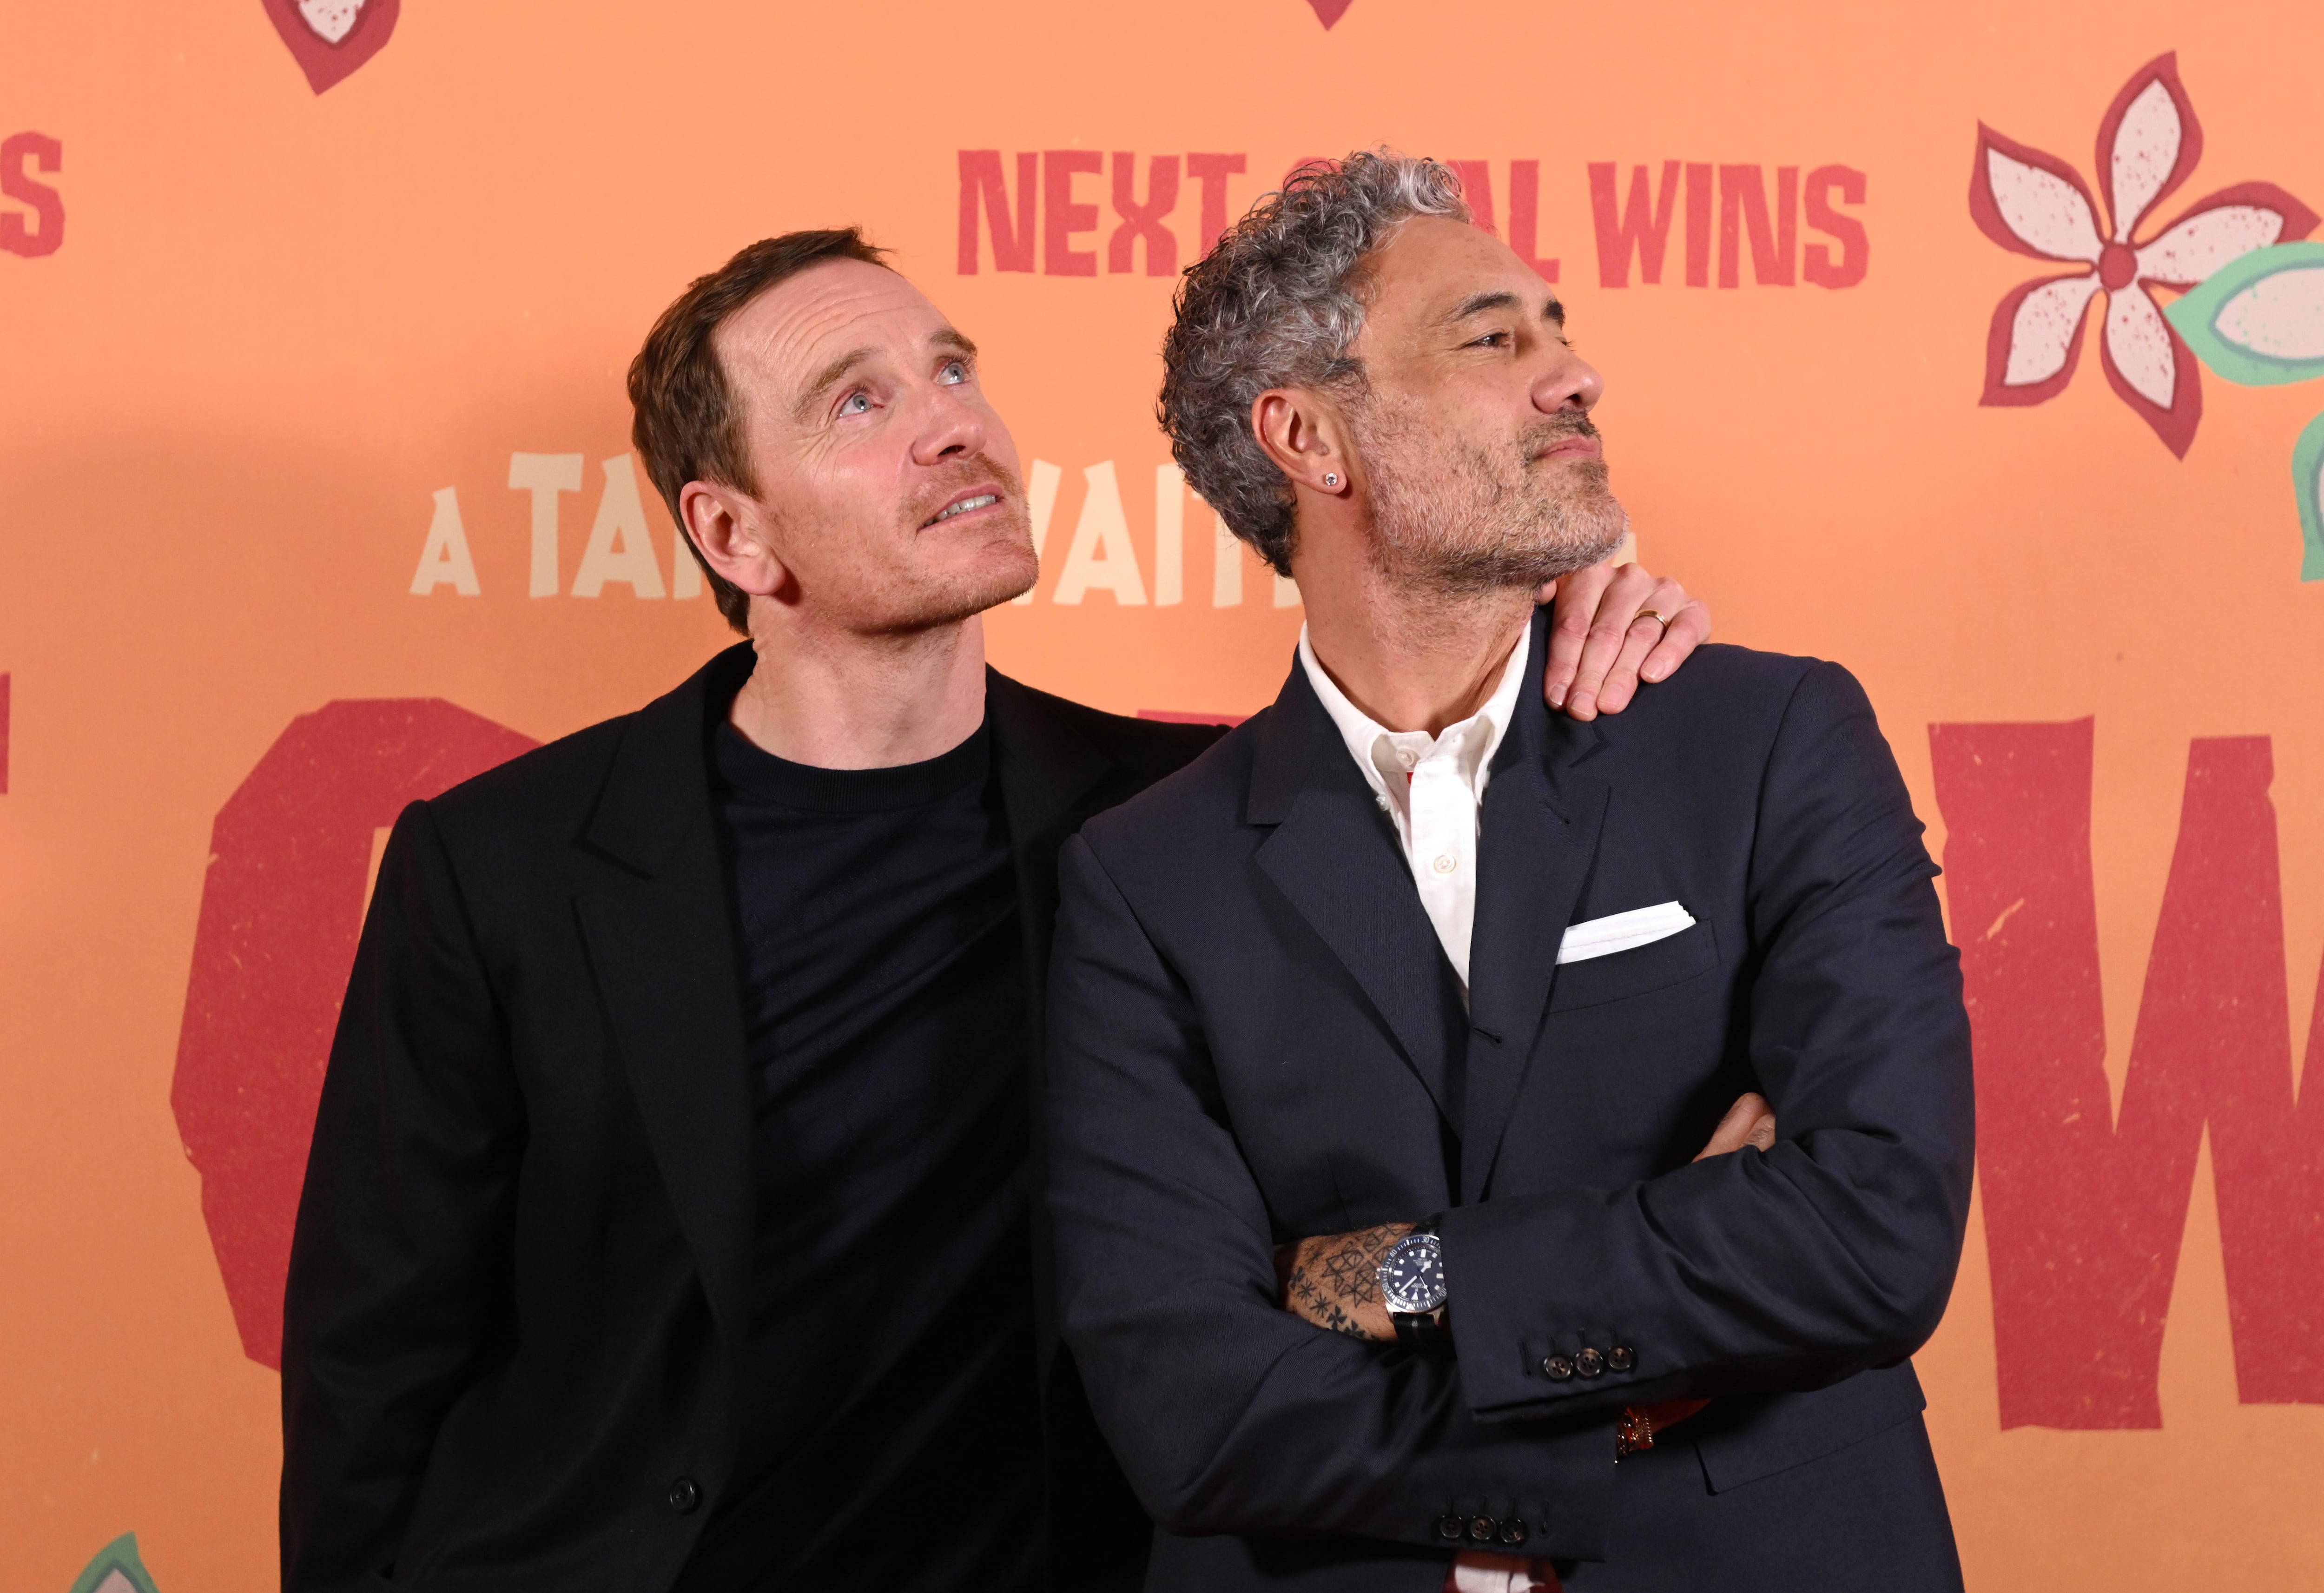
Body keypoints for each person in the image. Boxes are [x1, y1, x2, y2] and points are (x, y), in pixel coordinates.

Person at [277, 225, 1719, 1593]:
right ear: (735, 533)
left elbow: (1486, 1062)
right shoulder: (505, 866)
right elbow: (375, 1362)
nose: (954, 422)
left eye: (953, 369)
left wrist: (1560, 613)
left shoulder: (1184, 822)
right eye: (858, 401)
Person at [1043, 152, 1975, 1593]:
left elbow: (1871, 1233)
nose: (1575, 373)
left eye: (1559, 326)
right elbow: (1194, 1411)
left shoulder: (1768, 738)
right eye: (1494, 337)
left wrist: (1404, 1276)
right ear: (1307, 435)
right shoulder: (1144, 875)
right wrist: (1630, 1407)